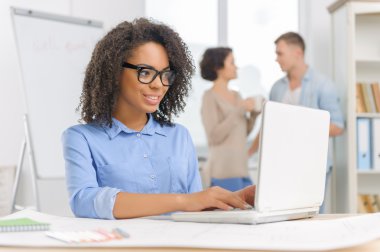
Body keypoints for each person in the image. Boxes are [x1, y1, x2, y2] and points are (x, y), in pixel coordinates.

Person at [62, 18, 254, 220]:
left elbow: (195, 210)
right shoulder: (81, 138)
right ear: (114, 72)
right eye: (145, 72)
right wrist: (184, 201)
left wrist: (233, 200)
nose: (159, 85)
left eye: (165, 75)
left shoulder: (179, 136)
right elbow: (83, 201)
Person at [248, 32, 344, 212]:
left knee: (311, 219)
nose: (276, 59)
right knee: (279, 217)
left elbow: (338, 127)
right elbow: (268, 126)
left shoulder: (323, 85)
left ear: (297, 53)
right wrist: (248, 153)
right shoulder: (277, 88)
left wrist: (300, 127)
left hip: (312, 166)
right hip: (280, 165)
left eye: (280, 53)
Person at [199, 47, 261, 192]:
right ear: (218, 67)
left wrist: (253, 115)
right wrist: (239, 110)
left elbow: (243, 132)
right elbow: (214, 136)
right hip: (223, 173)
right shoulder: (209, 97)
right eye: (232, 62)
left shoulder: (237, 95)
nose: (236, 67)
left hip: (242, 171)